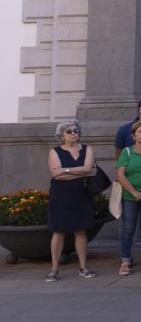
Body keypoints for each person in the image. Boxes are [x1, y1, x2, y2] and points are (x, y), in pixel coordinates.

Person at [45, 120, 97, 282]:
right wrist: (80, 171)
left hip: (81, 195)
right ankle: (54, 269)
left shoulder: (87, 149)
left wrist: (65, 170)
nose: (74, 133)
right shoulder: (54, 151)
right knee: (58, 231)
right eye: (69, 131)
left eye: (76, 131)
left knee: (80, 231)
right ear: (61, 135)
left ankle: (83, 267)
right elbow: (55, 175)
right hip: (60, 196)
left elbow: (90, 169)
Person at [115, 120, 141, 277]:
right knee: (128, 229)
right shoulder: (127, 152)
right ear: (133, 135)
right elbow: (120, 174)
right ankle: (125, 260)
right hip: (130, 197)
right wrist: (134, 192)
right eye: (140, 132)